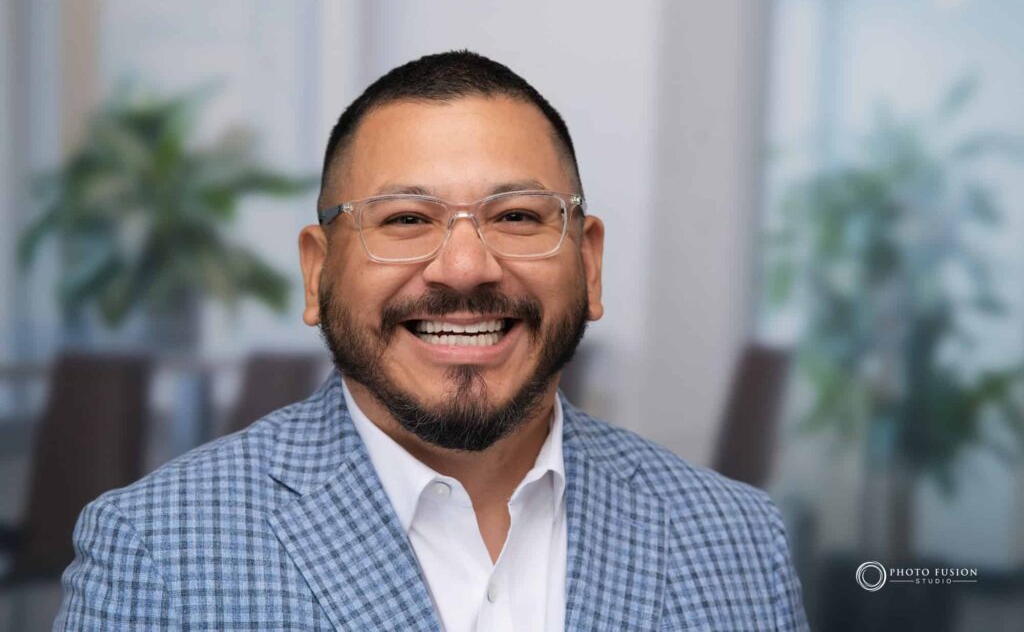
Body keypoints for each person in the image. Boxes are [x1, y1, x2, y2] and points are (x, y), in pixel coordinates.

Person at [56, 51, 809, 631]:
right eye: (405, 219)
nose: (464, 267)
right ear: (317, 274)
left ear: (588, 262)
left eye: (517, 215)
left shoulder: (737, 538)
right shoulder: (158, 551)